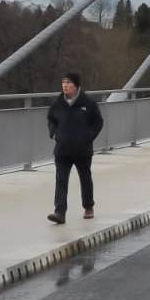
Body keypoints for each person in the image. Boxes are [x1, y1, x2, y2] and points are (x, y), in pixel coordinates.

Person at [46, 73, 103, 225]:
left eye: (68, 82)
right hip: (62, 149)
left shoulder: (88, 103)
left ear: (76, 85)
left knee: (85, 178)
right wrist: (53, 133)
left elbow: (98, 122)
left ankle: (88, 206)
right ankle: (60, 212)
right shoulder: (57, 103)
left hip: (82, 150)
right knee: (61, 180)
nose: (65, 85)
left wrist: (88, 137)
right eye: (63, 82)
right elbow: (51, 118)